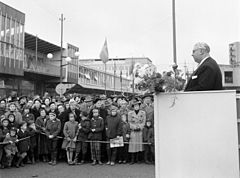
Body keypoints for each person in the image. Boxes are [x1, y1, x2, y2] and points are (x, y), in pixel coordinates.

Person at [128, 100, 146, 164]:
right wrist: (134, 127)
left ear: (139, 106)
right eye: (135, 106)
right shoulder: (130, 113)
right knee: (133, 145)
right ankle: (132, 160)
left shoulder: (143, 113)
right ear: (133, 107)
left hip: (140, 130)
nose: (136, 107)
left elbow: (144, 121)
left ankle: (138, 159)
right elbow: (129, 122)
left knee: (139, 145)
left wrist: (140, 127)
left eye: (137, 105)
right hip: (133, 131)